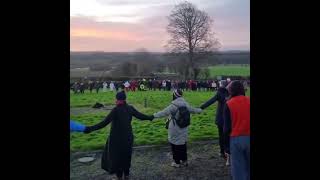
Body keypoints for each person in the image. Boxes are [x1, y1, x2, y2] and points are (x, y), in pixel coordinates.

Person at [84, 91, 154, 180]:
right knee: (127, 156)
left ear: (118, 100)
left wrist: (89, 129)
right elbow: (141, 116)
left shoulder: (115, 110)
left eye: (116, 99)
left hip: (116, 139)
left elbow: (104, 123)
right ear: (125, 99)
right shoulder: (130, 108)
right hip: (128, 137)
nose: (115, 101)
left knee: (117, 158)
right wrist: (150, 117)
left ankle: (119, 177)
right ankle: (127, 175)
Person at [153, 89, 202, 168]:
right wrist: (200, 110)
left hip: (175, 127)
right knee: (183, 144)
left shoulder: (173, 105)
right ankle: (184, 160)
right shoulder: (185, 104)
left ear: (174, 96)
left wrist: (153, 116)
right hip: (184, 127)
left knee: (174, 145)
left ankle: (176, 162)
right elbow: (193, 110)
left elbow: (163, 113)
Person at [224, 80, 250, 180]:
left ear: (231, 90)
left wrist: (226, 147)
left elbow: (226, 128)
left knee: (238, 170)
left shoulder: (229, 104)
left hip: (236, 139)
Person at [200, 80, 230, 164]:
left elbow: (210, 101)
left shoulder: (219, 93)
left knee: (221, 136)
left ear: (221, 85)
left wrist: (200, 108)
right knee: (228, 135)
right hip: (229, 119)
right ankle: (227, 152)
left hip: (221, 118)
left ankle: (222, 152)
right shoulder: (230, 93)